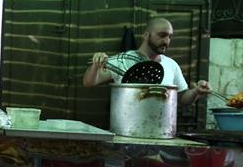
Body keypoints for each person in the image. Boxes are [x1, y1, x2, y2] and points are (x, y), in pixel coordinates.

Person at [82, 17, 211, 105]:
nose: (166, 41)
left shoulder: (171, 65)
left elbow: (182, 98)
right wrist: (95, 66)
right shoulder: (124, 60)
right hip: (126, 126)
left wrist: (196, 92)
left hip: (162, 130)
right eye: (162, 35)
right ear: (146, 35)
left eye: (170, 37)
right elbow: (89, 82)